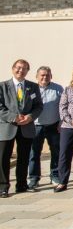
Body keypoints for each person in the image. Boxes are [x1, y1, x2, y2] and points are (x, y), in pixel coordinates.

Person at [0, 59, 44, 197]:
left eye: (24, 68)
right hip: (7, 127)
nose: (21, 70)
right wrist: (14, 117)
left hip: (26, 127)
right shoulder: (3, 86)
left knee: (24, 157)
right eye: (18, 68)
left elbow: (38, 105)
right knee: (3, 158)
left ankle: (21, 184)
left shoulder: (32, 86)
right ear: (13, 68)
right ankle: (3, 187)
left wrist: (30, 117)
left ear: (27, 71)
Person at [28, 66, 63, 189]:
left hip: (53, 125)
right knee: (34, 153)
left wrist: (61, 122)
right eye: (42, 75)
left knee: (56, 152)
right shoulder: (31, 89)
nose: (45, 77)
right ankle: (33, 178)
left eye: (47, 75)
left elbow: (62, 107)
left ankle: (55, 175)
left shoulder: (58, 89)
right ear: (37, 76)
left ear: (51, 76)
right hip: (35, 126)